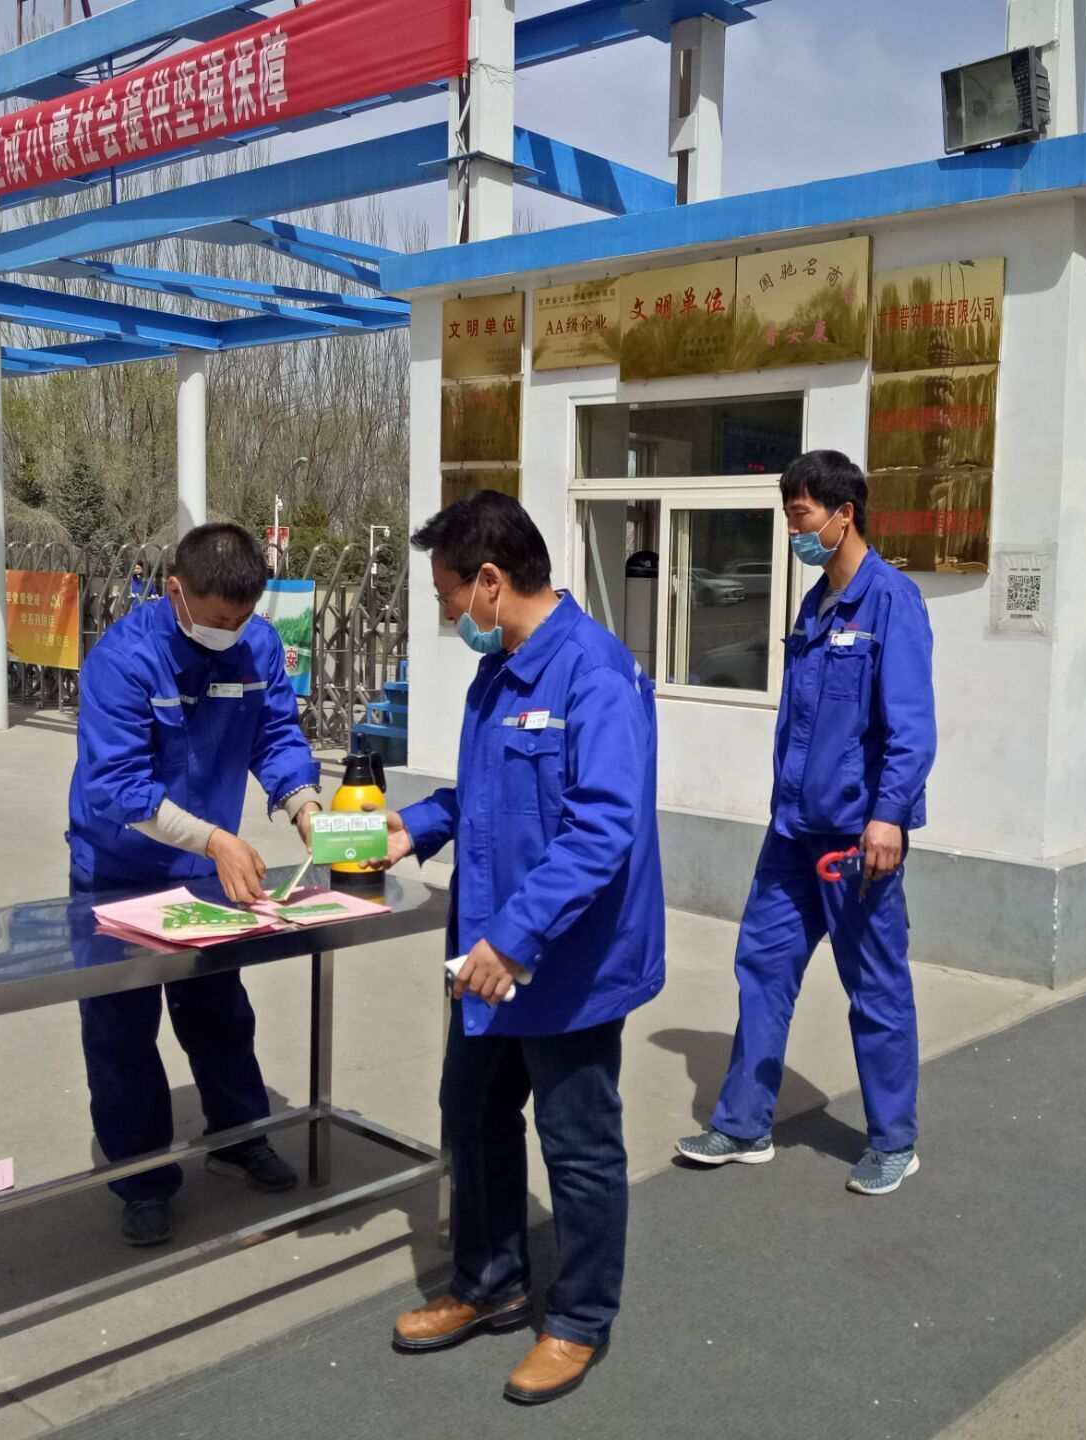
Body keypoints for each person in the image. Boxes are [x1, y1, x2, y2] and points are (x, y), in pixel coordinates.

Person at [384, 490, 663, 1406]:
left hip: (565, 961)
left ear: (491, 582)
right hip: (491, 957)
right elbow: (485, 797)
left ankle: (578, 1320)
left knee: (578, 1145)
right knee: (470, 1113)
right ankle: (490, 1281)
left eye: (448, 596)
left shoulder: (594, 673)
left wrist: (513, 937)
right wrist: (413, 827)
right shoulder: (498, 671)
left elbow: (602, 828)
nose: (447, 614)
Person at [675, 450, 937, 1196]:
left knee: (875, 985)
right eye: (789, 516)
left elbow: (912, 728)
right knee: (761, 967)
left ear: (843, 515)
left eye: (800, 516)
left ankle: (894, 1141)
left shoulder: (892, 602)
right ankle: (744, 1123)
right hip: (792, 831)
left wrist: (888, 817)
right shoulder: (814, 603)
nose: (793, 531)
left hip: (857, 838)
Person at [67, 522, 321, 1246]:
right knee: (120, 1031)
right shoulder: (123, 660)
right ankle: (143, 1180)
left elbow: (276, 735)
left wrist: (304, 805)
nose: (231, 633)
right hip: (118, 872)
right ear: (174, 591)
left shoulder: (256, 644)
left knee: (219, 1013)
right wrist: (213, 838)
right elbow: (118, 786)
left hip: (208, 875)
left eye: (243, 619)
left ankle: (239, 1139)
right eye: (217, 621)